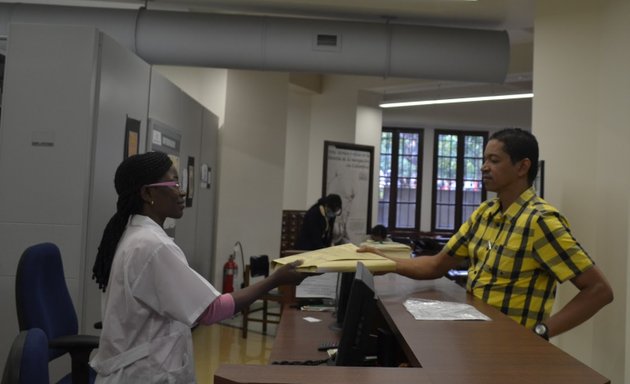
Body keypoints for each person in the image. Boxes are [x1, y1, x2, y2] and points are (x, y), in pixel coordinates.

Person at [360, 128, 613, 340]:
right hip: (475, 339)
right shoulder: (485, 213)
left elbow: (599, 290)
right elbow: (436, 265)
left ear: (522, 166)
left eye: (494, 160)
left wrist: (542, 331)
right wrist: (388, 263)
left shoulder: (540, 222)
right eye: (484, 160)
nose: (484, 167)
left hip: (512, 348)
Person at [90, 151, 307, 383]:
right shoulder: (151, 246)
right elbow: (213, 310)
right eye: (173, 183)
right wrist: (275, 280)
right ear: (147, 193)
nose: (182, 191)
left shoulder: (134, 234)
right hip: (142, 374)